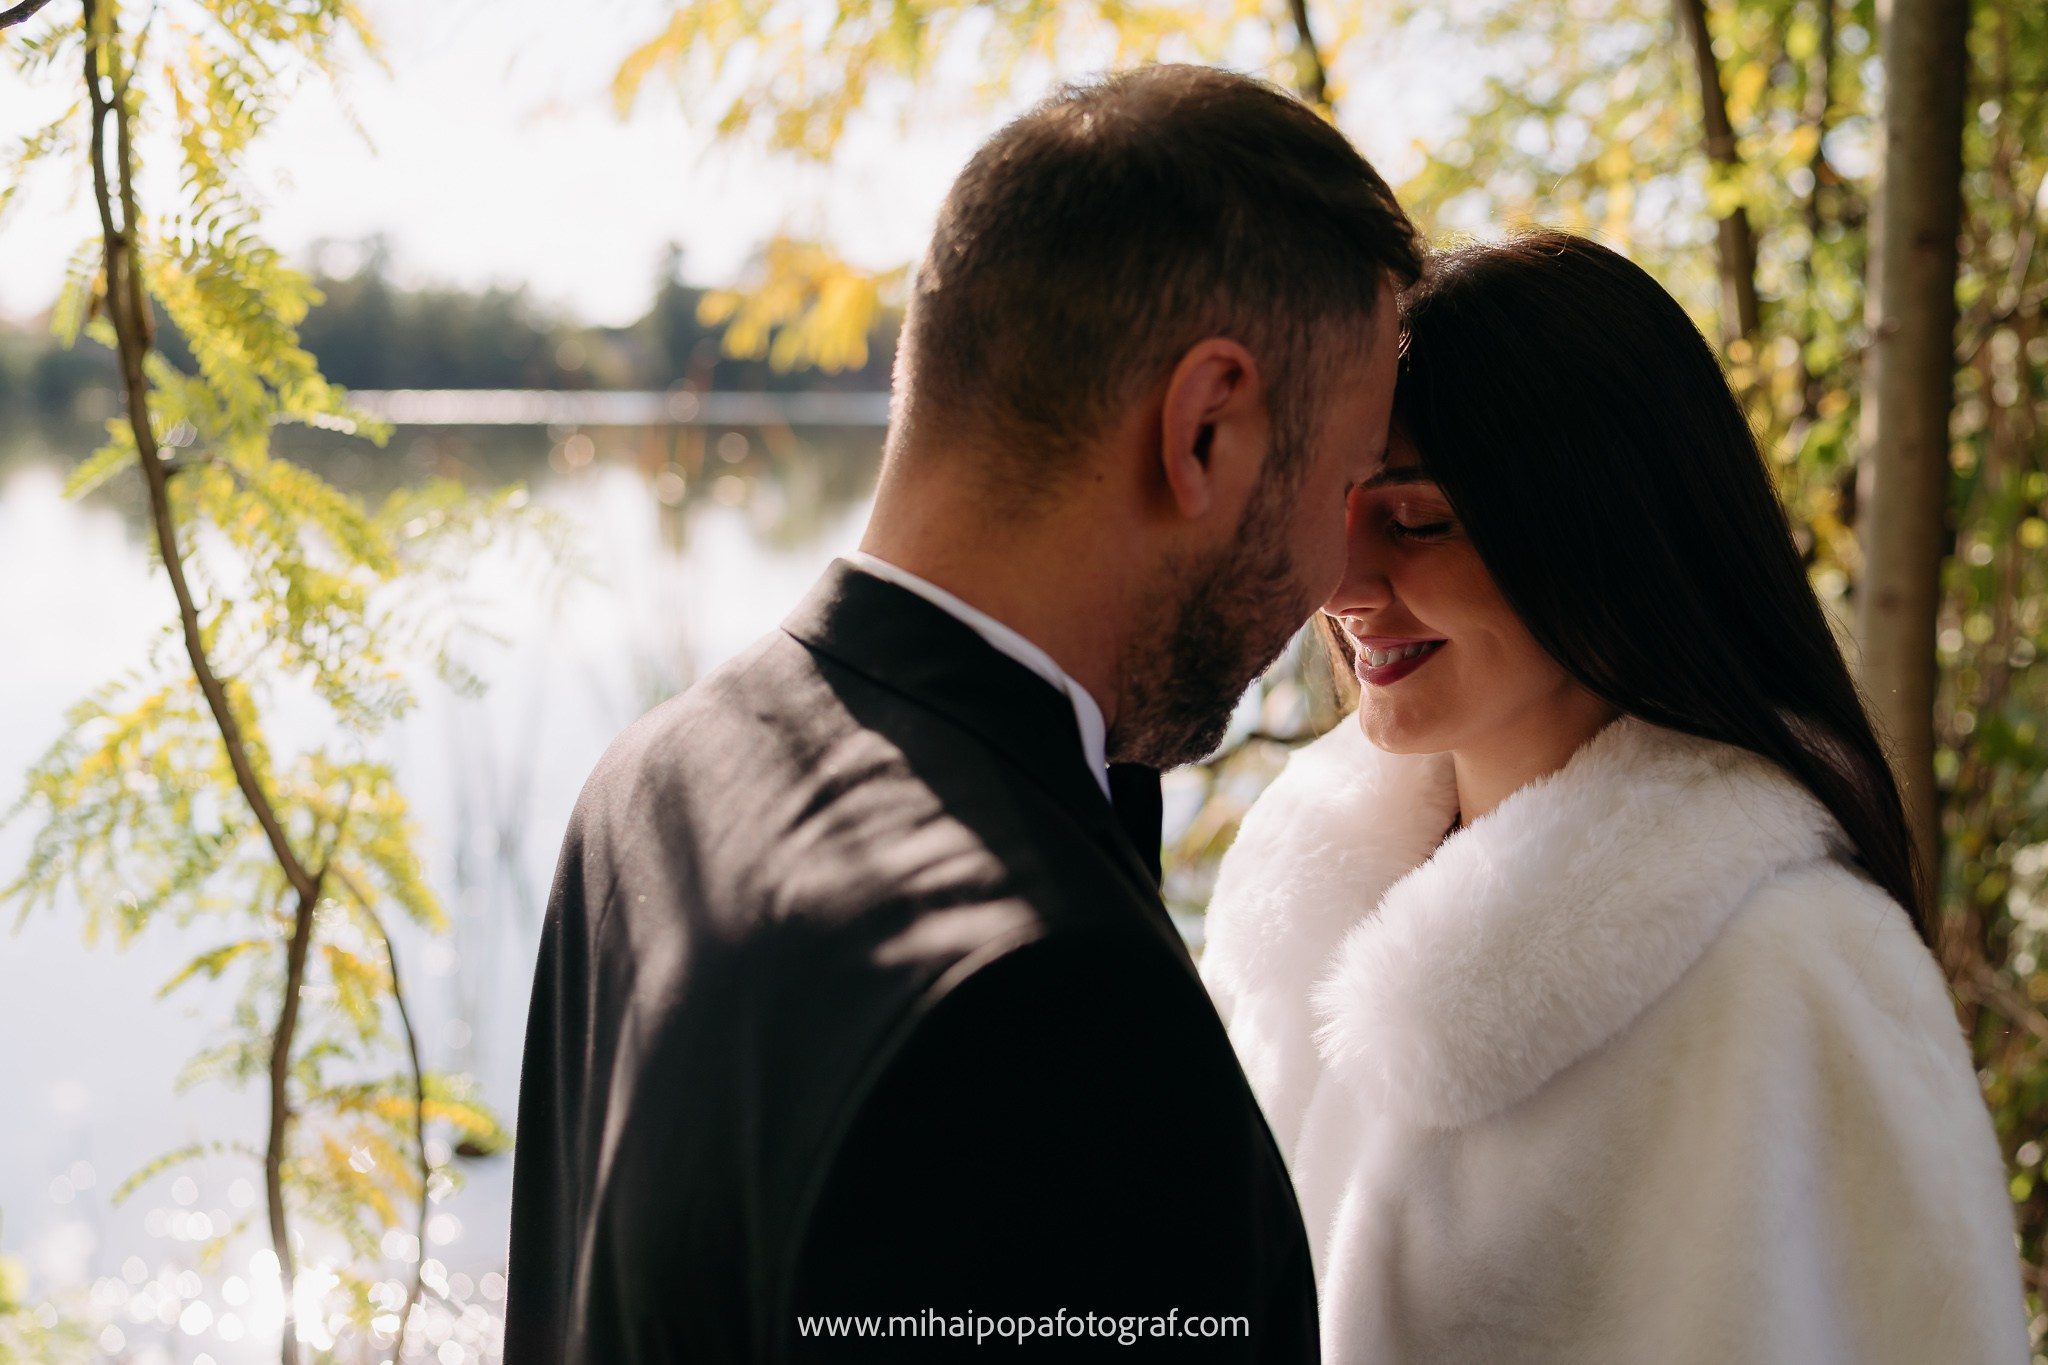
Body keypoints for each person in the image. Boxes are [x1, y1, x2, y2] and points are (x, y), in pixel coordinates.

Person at [503, 64, 1422, 1362]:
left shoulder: (655, 782)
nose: (1343, 574)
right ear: (1205, 427)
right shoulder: (1055, 1011)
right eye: (1347, 479)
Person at [1200, 231, 2031, 1364]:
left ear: (1601, 532)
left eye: (1416, 519)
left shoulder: (1793, 975)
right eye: (1329, 509)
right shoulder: (1294, 916)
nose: (1339, 588)